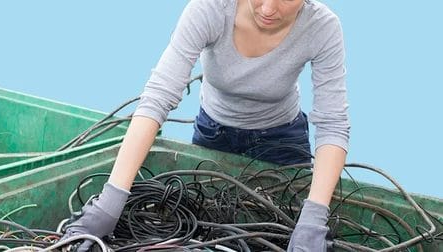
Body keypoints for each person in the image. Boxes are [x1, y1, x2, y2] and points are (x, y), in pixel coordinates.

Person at [63, 0, 350, 251]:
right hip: (215, 134)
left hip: (282, 140)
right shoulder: (210, 8)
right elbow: (157, 98)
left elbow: (333, 123)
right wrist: (111, 200)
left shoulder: (322, 26)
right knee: (209, 226)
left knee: (279, 229)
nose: (268, 8)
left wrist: (314, 215)